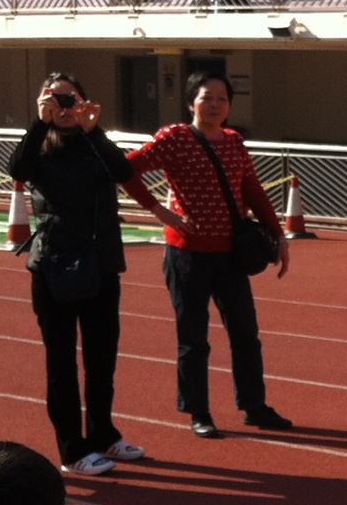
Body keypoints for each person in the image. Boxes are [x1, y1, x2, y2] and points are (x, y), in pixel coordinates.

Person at [9, 73, 166, 476]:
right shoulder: (39, 146)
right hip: (55, 266)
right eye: (54, 99)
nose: (64, 107)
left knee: (102, 358)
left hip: (100, 263)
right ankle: (72, 449)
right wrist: (39, 123)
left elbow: (123, 172)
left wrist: (94, 130)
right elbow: (18, 169)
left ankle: (103, 434)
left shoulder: (95, 144)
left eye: (70, 98)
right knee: (61, 362)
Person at [121, 71, 288, 440]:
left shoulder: (234, 142)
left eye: (221, 99)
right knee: (194, 337)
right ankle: (198, 410)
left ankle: (254, 405)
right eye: (206, 97)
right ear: (190, 102)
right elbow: (125, 169)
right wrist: (159, 211)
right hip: (188, 255)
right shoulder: (174, 138)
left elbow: (252, 190)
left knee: (245, 333)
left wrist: (279, 236)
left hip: (231, 256)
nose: (214, 105)